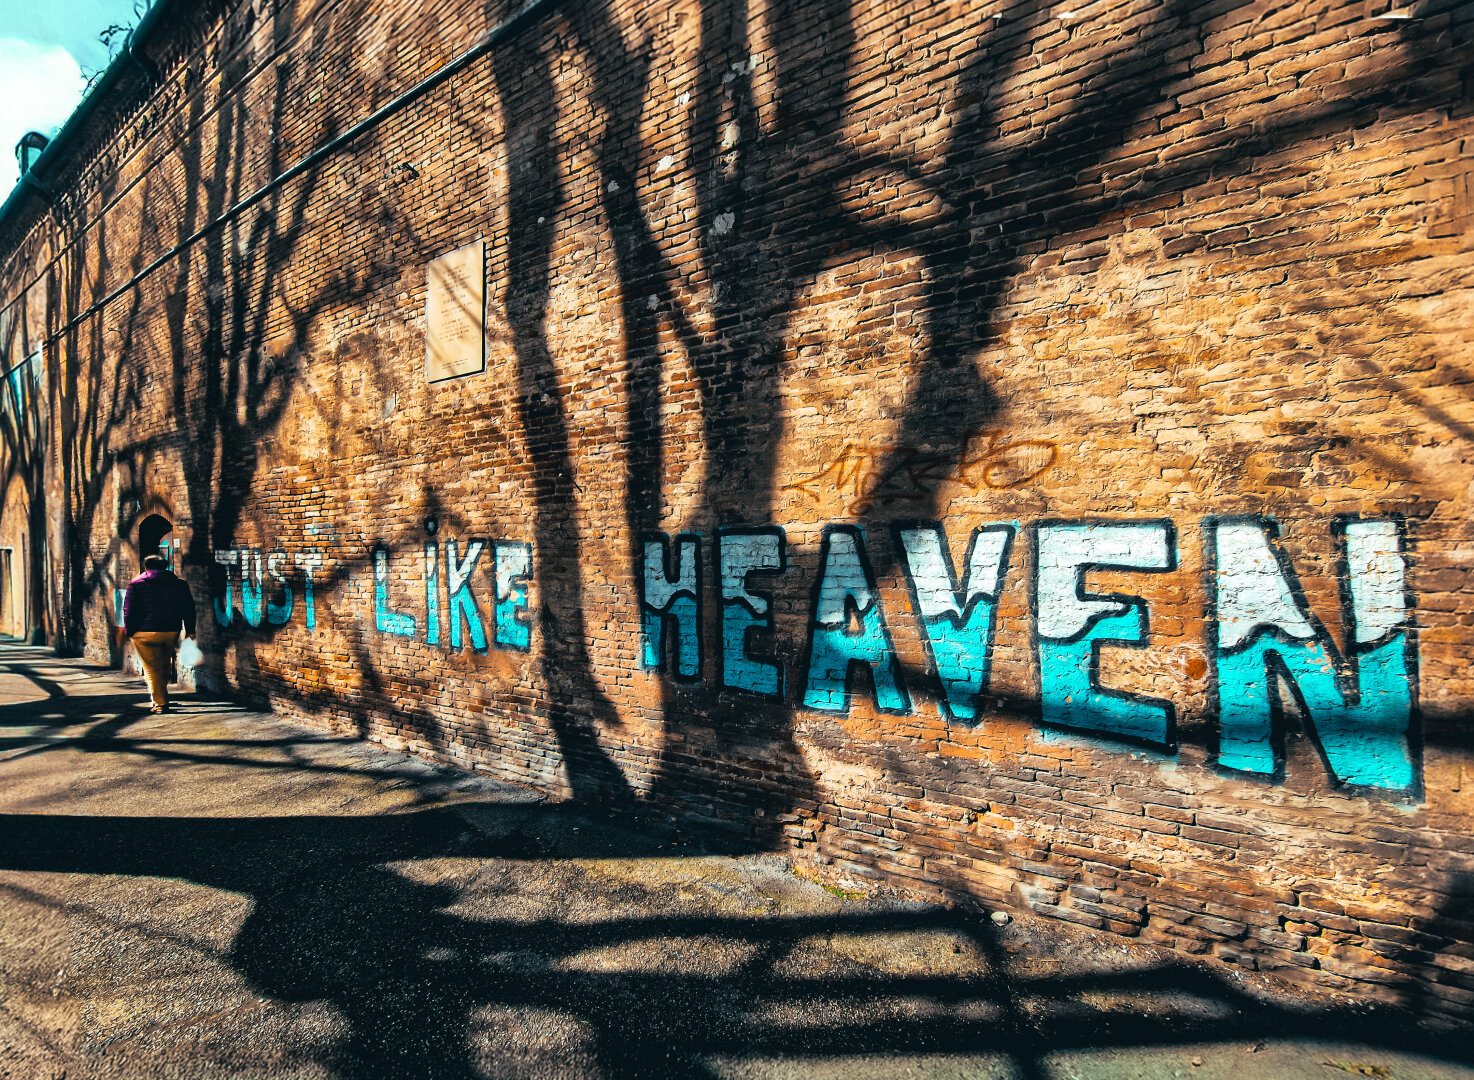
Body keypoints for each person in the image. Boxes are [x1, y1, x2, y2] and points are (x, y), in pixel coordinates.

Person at [123, 553, 197, 714]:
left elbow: (129, 610)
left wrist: (129, 631)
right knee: (163, 665)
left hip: (144, 632)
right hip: (170, 629)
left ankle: (161, 703)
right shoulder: (179, 584)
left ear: (145, 567)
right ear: (166, 567)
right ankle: (162, 697)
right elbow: (188, 608)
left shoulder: (135, 585)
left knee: (151, 668)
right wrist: (190, 629)